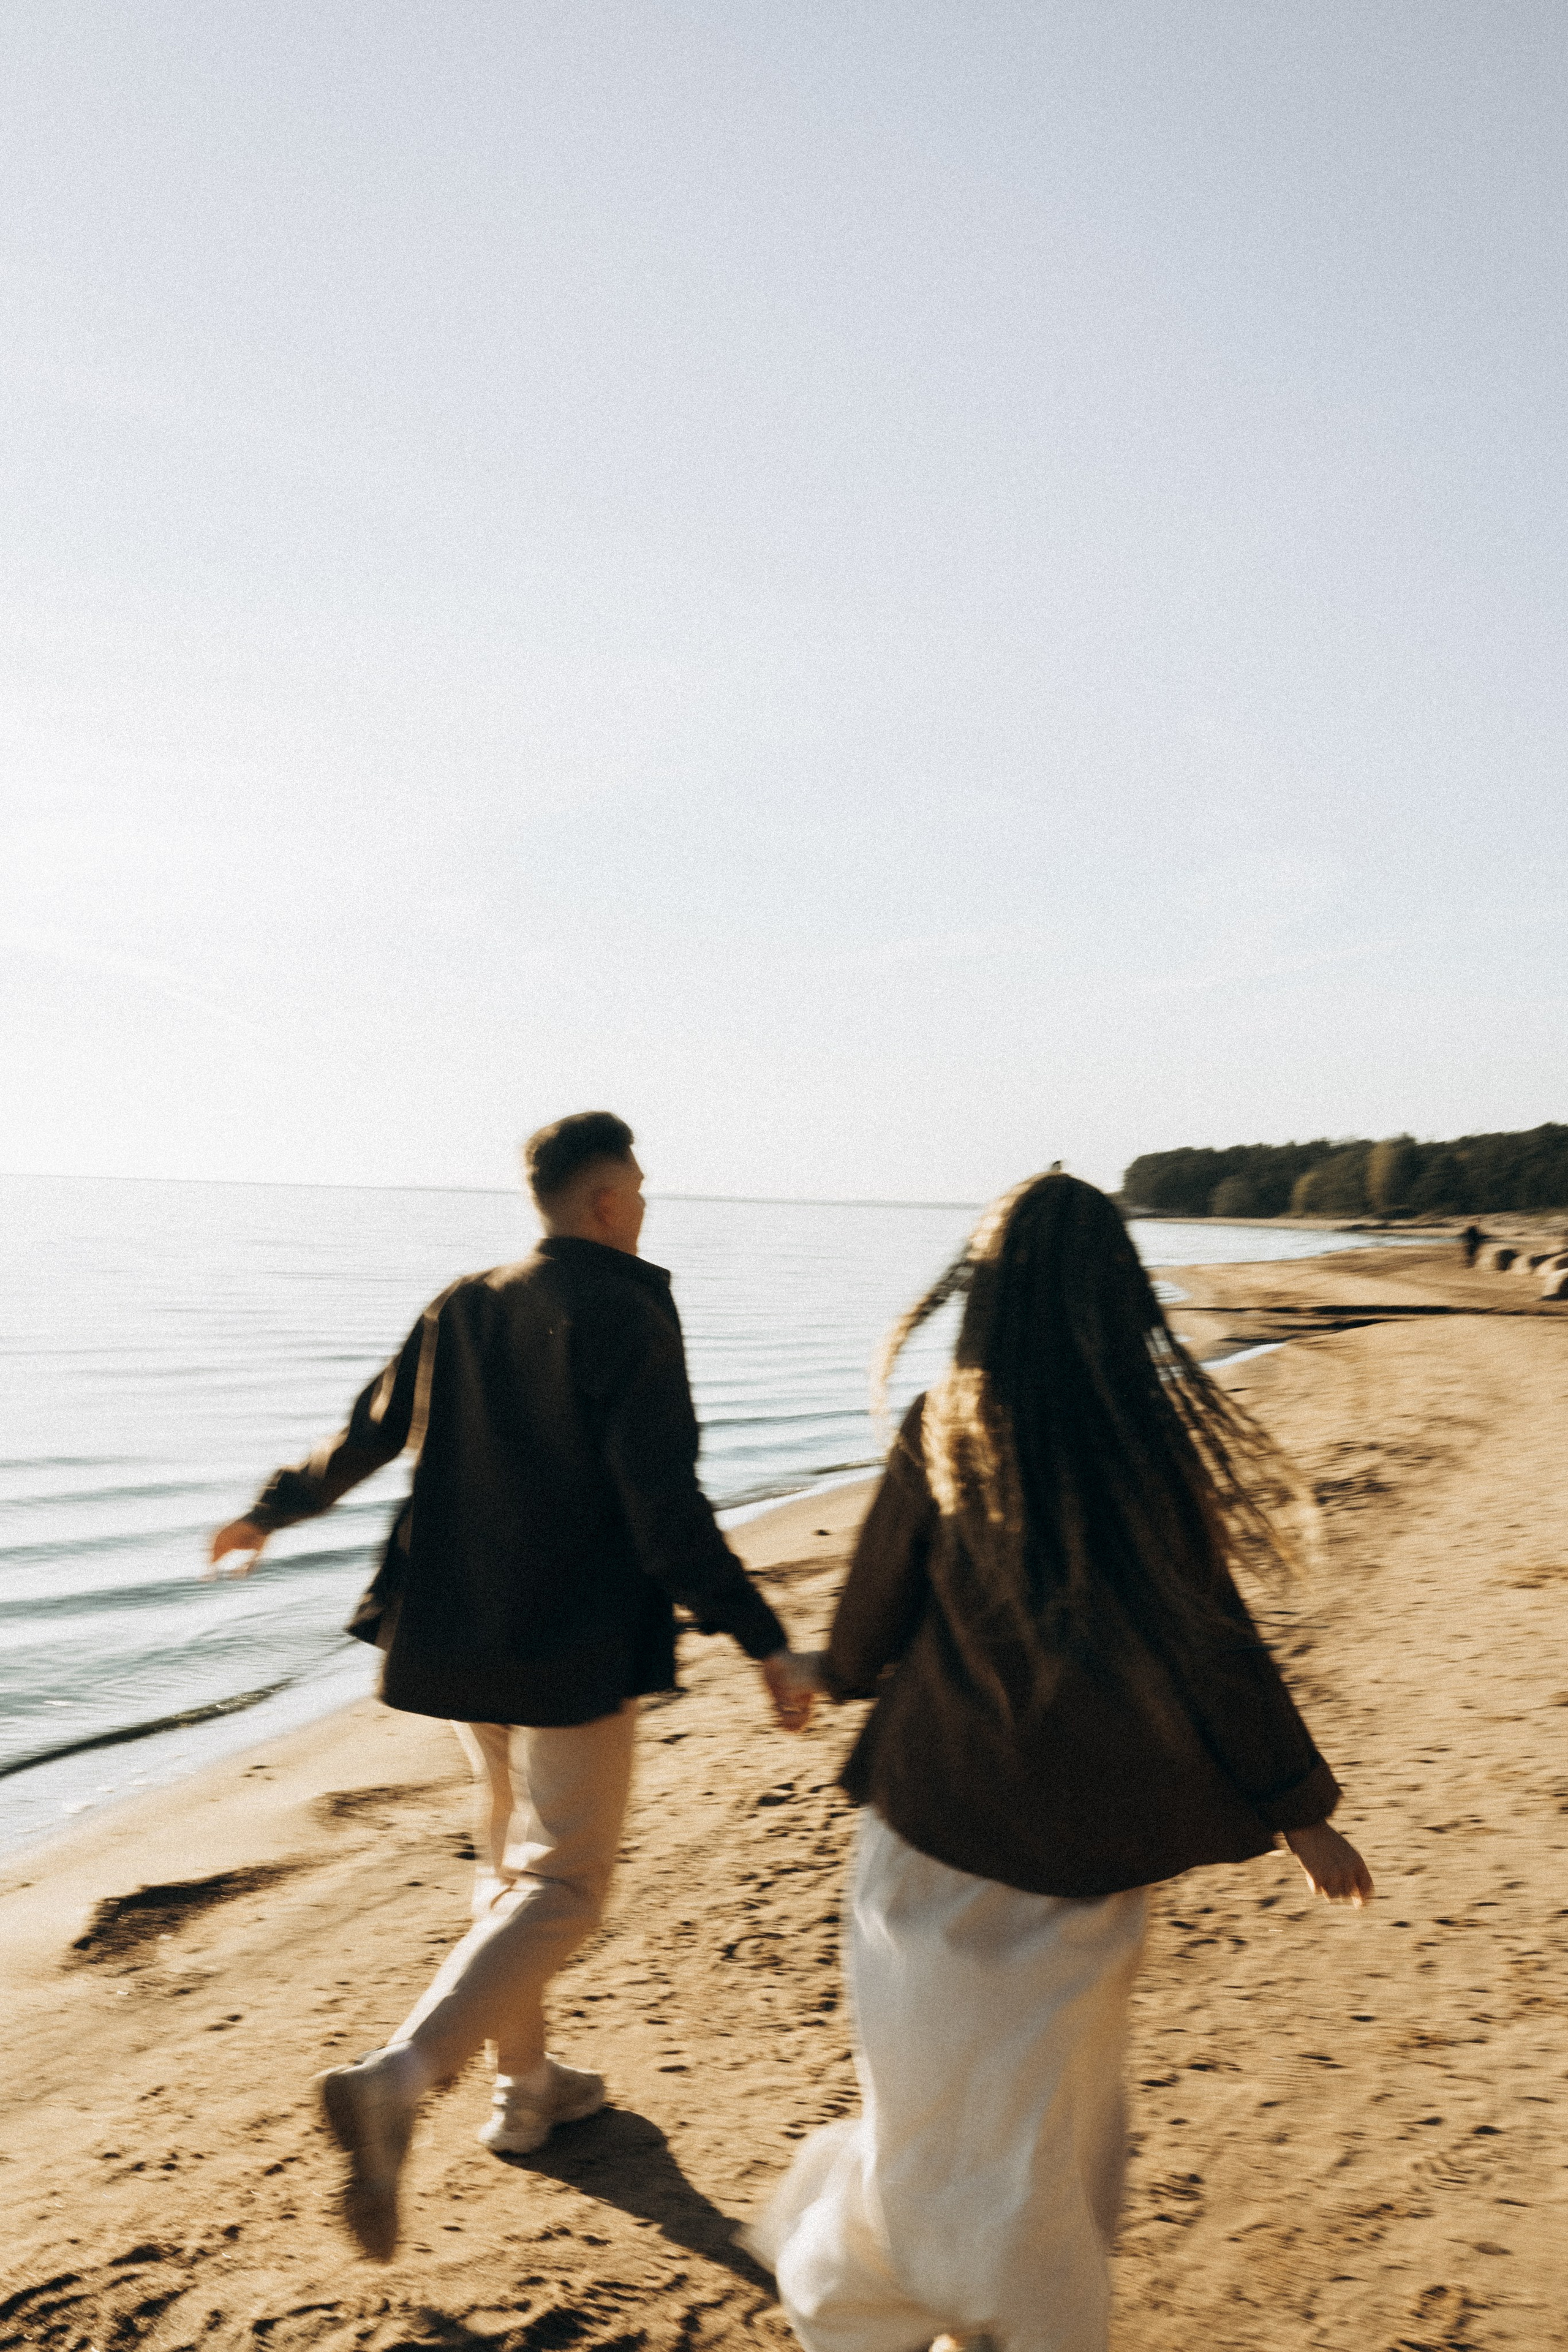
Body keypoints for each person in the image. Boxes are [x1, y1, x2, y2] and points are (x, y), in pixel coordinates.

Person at [747, 1171, 1372, 2352]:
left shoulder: (947, 1430)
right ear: (1117, 1300)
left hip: (927, 1851)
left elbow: (875, 1627)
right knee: (1051, 2136)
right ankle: (998, 2319)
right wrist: (1301, 1814)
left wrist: (816, 1673)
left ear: (986, 1297)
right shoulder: (1142, 1453)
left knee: (927, 2122)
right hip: (1080, 1874)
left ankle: (873, 2297)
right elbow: (1216, 1646)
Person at [208, 1111, 813, 2260]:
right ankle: (403, 2077)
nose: (646, 1203)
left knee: (507, 1870)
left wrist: (272, 1508)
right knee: (564, 1888)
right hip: (568, 1645)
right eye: (638, 1186)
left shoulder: (466, 1299)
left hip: (454, 1631)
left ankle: (527, 2092)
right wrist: (761, 1633)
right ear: (600, 1201)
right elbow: (663, 1502)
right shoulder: (625, 1307)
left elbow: (368, 1432)